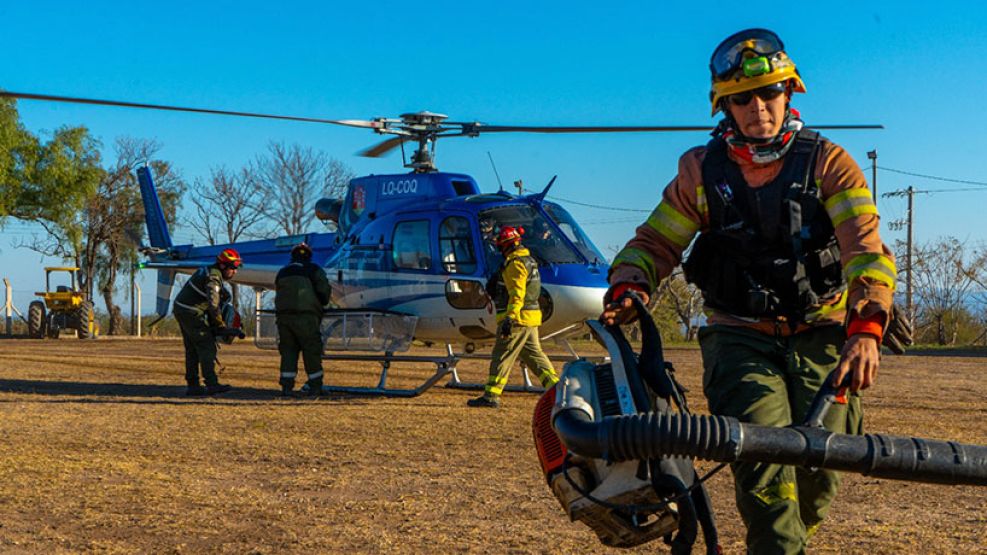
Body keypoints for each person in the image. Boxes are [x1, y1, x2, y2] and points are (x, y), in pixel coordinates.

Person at [602, 29, 896, 553]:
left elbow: (865, 252)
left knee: (823, 471)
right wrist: (631, 281)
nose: (757, 107)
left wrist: (868, 327)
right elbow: (655, 242)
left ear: (790, 94)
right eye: (742, 98)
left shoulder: (830, 163)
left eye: (769, 93)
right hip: (740, 339)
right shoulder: (700, 172)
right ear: (725, 106)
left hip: (824, 333)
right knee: (766, 476)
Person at [468, 226, 560, 408]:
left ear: (506, 245)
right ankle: (558, 391)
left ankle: (491, 396)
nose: (499, 250)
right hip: (530, 318)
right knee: (535, 357)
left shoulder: (515, 263)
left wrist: (510, 319)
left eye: (500, 246)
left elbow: (517, 293)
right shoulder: (528, 260)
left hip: (518, 319)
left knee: (501, 356)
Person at [173, 248, 241, 396]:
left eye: (236, 268)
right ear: (223, 266)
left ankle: (193, 386)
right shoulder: (213, 278)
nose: (235, 271)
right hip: (190, 312)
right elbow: (213, 305)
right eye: (233, 267)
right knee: (206, 344)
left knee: (192, 348)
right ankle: (211, 384)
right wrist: (220, 325)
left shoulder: (211, 272)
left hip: (183, 309)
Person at [275, 242, 332, 397]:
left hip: (284, 318)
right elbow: (323, 292)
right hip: (306, 317)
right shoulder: (314, 270)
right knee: (311, 351)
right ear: (309, 256)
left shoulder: (282, 272)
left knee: (288, 351)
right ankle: (315, 387)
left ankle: (286, 387)